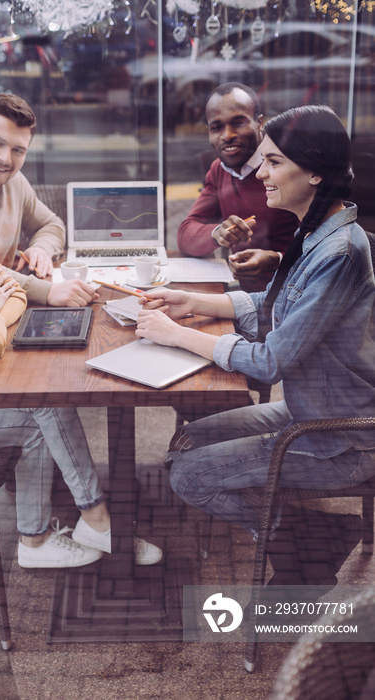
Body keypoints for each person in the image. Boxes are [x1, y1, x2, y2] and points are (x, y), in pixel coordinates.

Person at [136, 105, 375, 590]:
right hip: (310, 411)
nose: (260, 172)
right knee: (186, 442)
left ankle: (299, 545)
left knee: (188, 477)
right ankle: (310, 532)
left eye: (273, 162)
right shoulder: (319, 231)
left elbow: (270, 362)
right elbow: (275, 299)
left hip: (343, 436)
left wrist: (178, 334)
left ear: (313, 173)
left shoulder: (340, 251)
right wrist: (190, 302)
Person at [0, 116, 162, 569]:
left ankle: (81, 523)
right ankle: (59, 531)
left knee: (40, 397)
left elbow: (1, 280)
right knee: (35, 416)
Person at [0, 92, 98, 378]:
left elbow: (52, 225)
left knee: (85, 352)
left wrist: (41, 248)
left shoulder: (14, 181)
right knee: (55, 378)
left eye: (19, 150)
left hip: (10, 311)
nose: (6, 159)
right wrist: (49, 292)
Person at [178, 82, 298, 293]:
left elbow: (329, 252)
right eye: (217, 127)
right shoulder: (219, 170)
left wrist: (277, 260)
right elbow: (186, 236)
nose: (227, 135)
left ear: (259, 123)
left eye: (238, 123)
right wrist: (218, 233)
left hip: (295, 298)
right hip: (249, 302)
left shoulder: (289, 165)